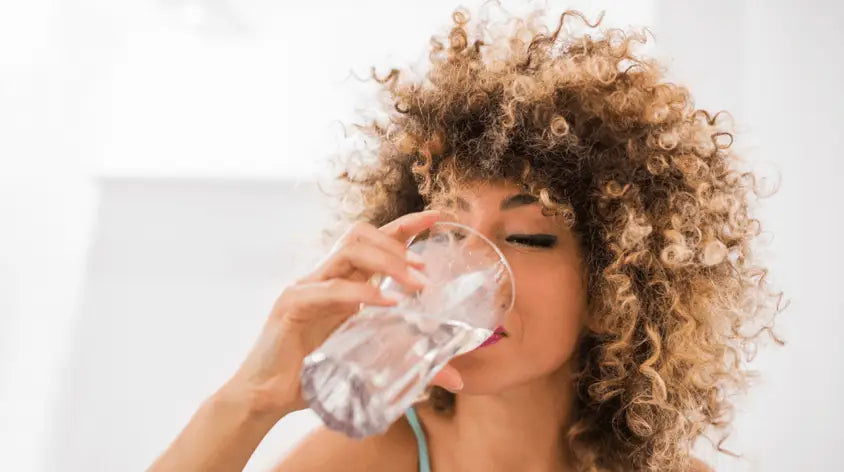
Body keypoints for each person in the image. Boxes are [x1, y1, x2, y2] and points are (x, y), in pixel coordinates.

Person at [148, 5, 784, 472]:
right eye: (447, 228)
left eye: (530, 238)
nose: (467, 271)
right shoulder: (366, 459)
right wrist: (250, 401)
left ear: (612, 291)